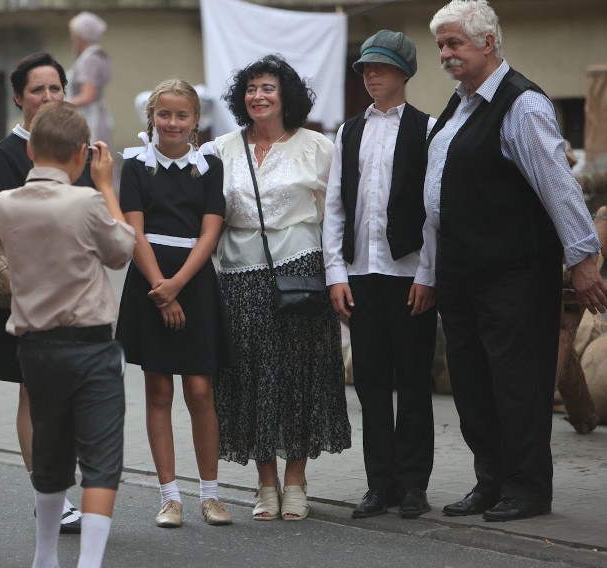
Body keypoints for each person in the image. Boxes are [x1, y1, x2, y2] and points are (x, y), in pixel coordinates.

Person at [426, 0, 607, 522]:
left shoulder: (521, 104)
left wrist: (582, 257)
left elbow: (558, 187)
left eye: (454, 43)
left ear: (488, 43)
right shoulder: (460, 103)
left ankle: (527, 489)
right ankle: (492, 483)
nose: (445, 54)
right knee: (473, 382)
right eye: (441, 45)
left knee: (516, 383)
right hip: (462, 271)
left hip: (512, 270)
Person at [0, 101, 134, 568]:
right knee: (101, 457)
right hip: (88, 345)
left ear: (30, 149)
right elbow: (121, 251)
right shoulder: (88, 200)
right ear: (81, 154)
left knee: (50, 451)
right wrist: (107, 186)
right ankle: (88, 564)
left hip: (33, 346)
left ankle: (44, 556)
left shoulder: (6, 205)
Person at [212, 54, 351, 522]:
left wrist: (338, 276)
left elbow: (335, 219)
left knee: (297, 378)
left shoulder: (318, 146)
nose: (258, 96)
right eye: (251, 88)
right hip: (238, 278)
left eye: (267, 87)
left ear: (285, 95)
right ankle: (264, 481)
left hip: (301, 274)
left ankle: (296, 480)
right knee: (251, 380)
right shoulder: (222, 148)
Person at [323, 30, 438, 520]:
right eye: (367, 67)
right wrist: (336, 273)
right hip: (361, 274)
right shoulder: (348, 132)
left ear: (404, 73)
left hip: (409, 272)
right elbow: (333, 208)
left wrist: (428, 275)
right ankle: (379, 484)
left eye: (382, 67)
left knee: (413, 381)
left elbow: (435, 211)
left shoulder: (429, 129)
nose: (371, 74)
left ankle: (413, 485)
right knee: (370, 383)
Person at [0, 51, 89, 533]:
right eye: (37, 89)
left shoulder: (78, 147)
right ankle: (50, 495)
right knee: (35, 395)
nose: (47, 97)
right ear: (19, 97)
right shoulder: (8, 152)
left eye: (55, 88)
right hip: (27, 291)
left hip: (77, 290)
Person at [116, 79, 234, 528]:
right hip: (149, 279)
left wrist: (179, 284)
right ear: (152, 118)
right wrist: (160, 288)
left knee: (200, 390)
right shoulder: (134, 165)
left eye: (181, 115)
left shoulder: (210, 165)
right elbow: (133, 231)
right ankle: (169, 497)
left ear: (195, 121)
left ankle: (211, 495)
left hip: (194, 279)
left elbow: (211, 231)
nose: (172, 123)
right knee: (159, 389)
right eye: (163, 114)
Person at [67, 11, 113, 147]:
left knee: (90, 158)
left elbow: (88, 96)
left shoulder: (90, 59)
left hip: (90, 119)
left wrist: (60, 105)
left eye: (74, 33)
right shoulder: (93, 56)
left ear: (80, 35)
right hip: (90, 116)